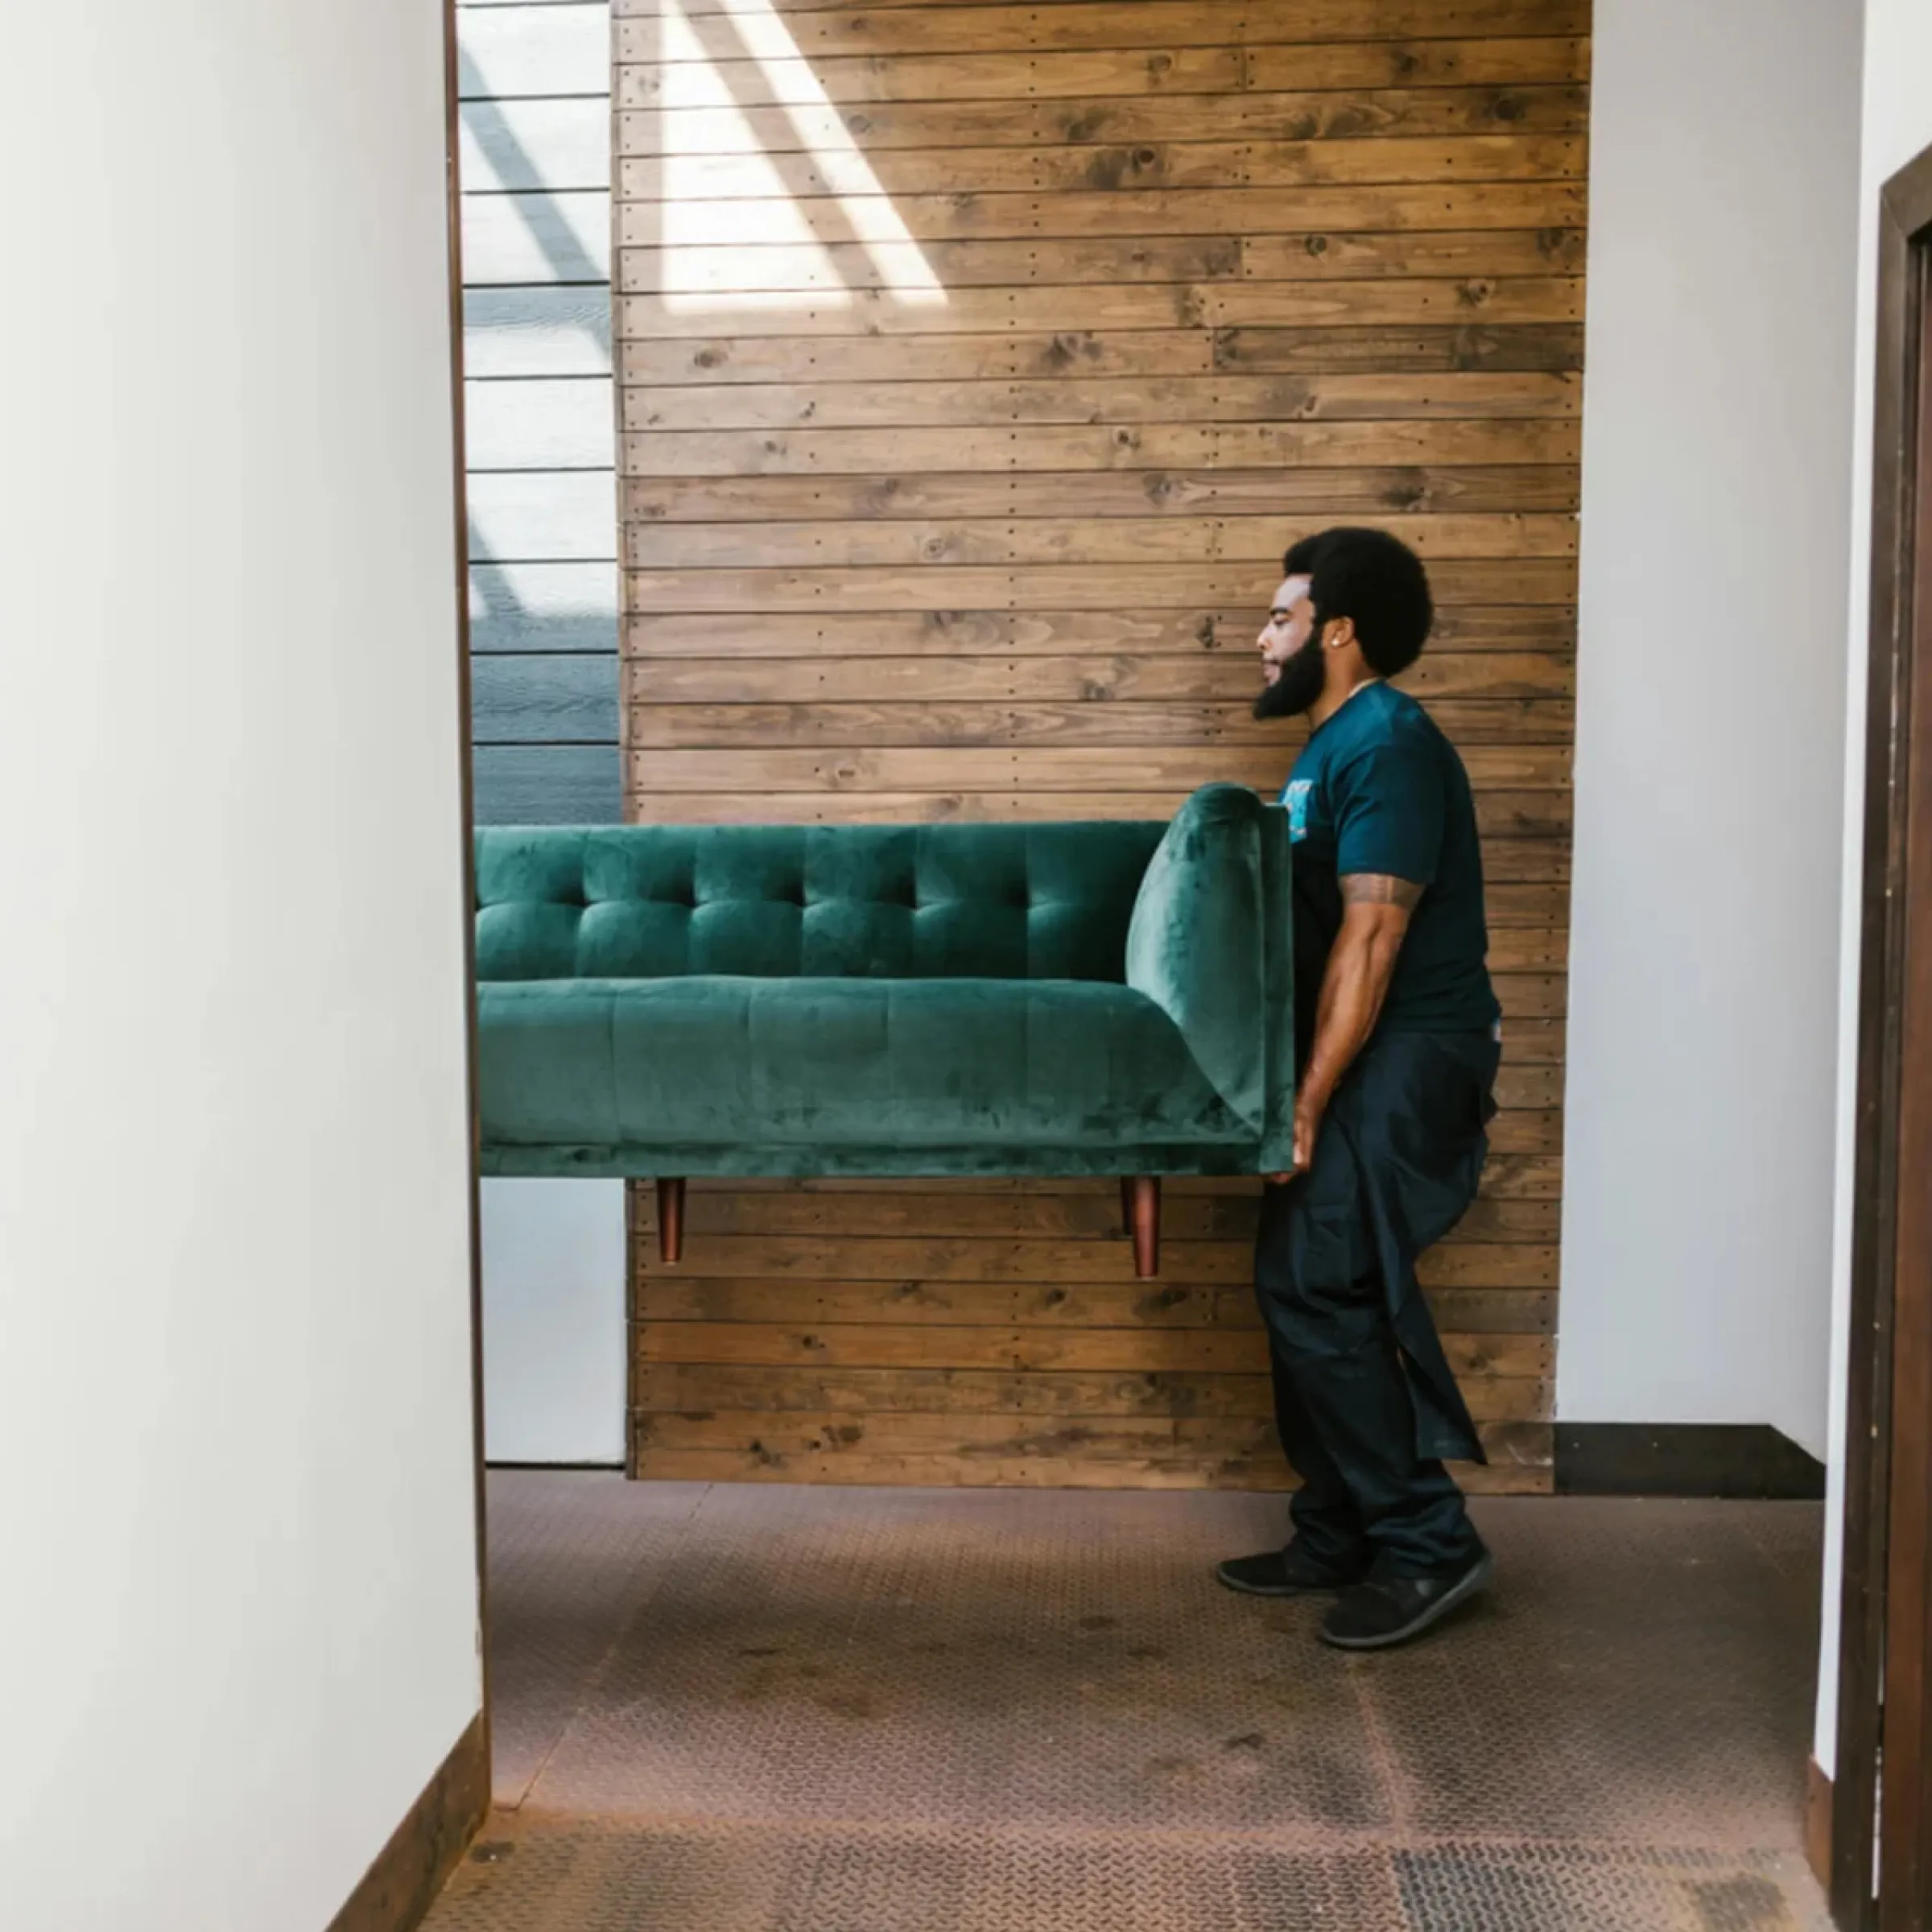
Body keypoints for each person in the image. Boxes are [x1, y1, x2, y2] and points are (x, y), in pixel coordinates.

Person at [1216, 526, 1503, 1651]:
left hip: (1410, 1050)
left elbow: (1374, 938)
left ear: (1338, 629)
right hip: (1359, 1051)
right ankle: (1336, 1529)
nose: (1261, 635)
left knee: (1319, 1281)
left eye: (1280, 617)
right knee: (1300, 1280)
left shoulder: (1386, 741)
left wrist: (1307, 1098)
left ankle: (1428, 1541)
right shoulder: (1324, 749)